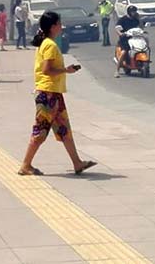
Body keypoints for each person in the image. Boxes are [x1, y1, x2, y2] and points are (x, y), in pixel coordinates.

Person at [17, 11, 96, 177]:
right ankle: (25, 165)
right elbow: (47, 70)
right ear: (53, 27)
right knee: (40, 131)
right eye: (59, 23)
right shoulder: (50, 45)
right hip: (48, 94)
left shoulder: (47, 43)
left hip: (54, 94)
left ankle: (77, 163)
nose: (61, 26)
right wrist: (66, 70)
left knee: (64, 130)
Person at [114, 6, 142, 79]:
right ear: (129, 12)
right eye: (133, 11)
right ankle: (117, 71)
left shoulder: (136, 19)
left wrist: (140, 19)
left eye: (135, 11)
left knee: (144, 44)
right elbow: (117, 28)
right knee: (123, 53)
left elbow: (141, 27)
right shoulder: (123, 19)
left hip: (135, 38)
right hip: (125, 39)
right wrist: (120, 33)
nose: (134, 13)